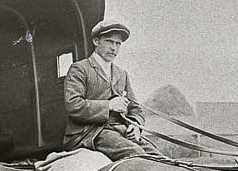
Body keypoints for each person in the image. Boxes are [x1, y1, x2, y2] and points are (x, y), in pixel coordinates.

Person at [63, 20, 163, 160]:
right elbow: (73, 105)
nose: (114, 48)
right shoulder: (79, 69)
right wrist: (109, 105)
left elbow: (136, 109)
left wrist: (136, 125)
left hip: (120, 131)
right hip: (90, 133)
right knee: (137, 155)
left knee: (160, 158)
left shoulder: (122, 74)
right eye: (109, 42)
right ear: (96, 41)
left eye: (118, 44)